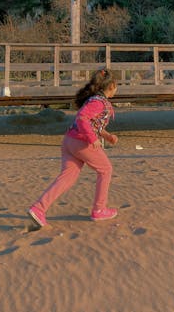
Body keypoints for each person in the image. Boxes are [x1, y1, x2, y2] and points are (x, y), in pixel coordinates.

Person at [28, 68, 119, 227]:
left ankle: (38, 209)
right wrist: (92, 138)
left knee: (67, 177)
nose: (117, 89)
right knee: (106, 170)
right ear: (111, 86)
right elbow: (83, 118)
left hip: (70, 141)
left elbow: (93, 124)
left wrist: (107, 136)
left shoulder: (94, 100)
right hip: (82, 143)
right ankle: (99, 210)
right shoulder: (98, 102)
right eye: (116, 86)